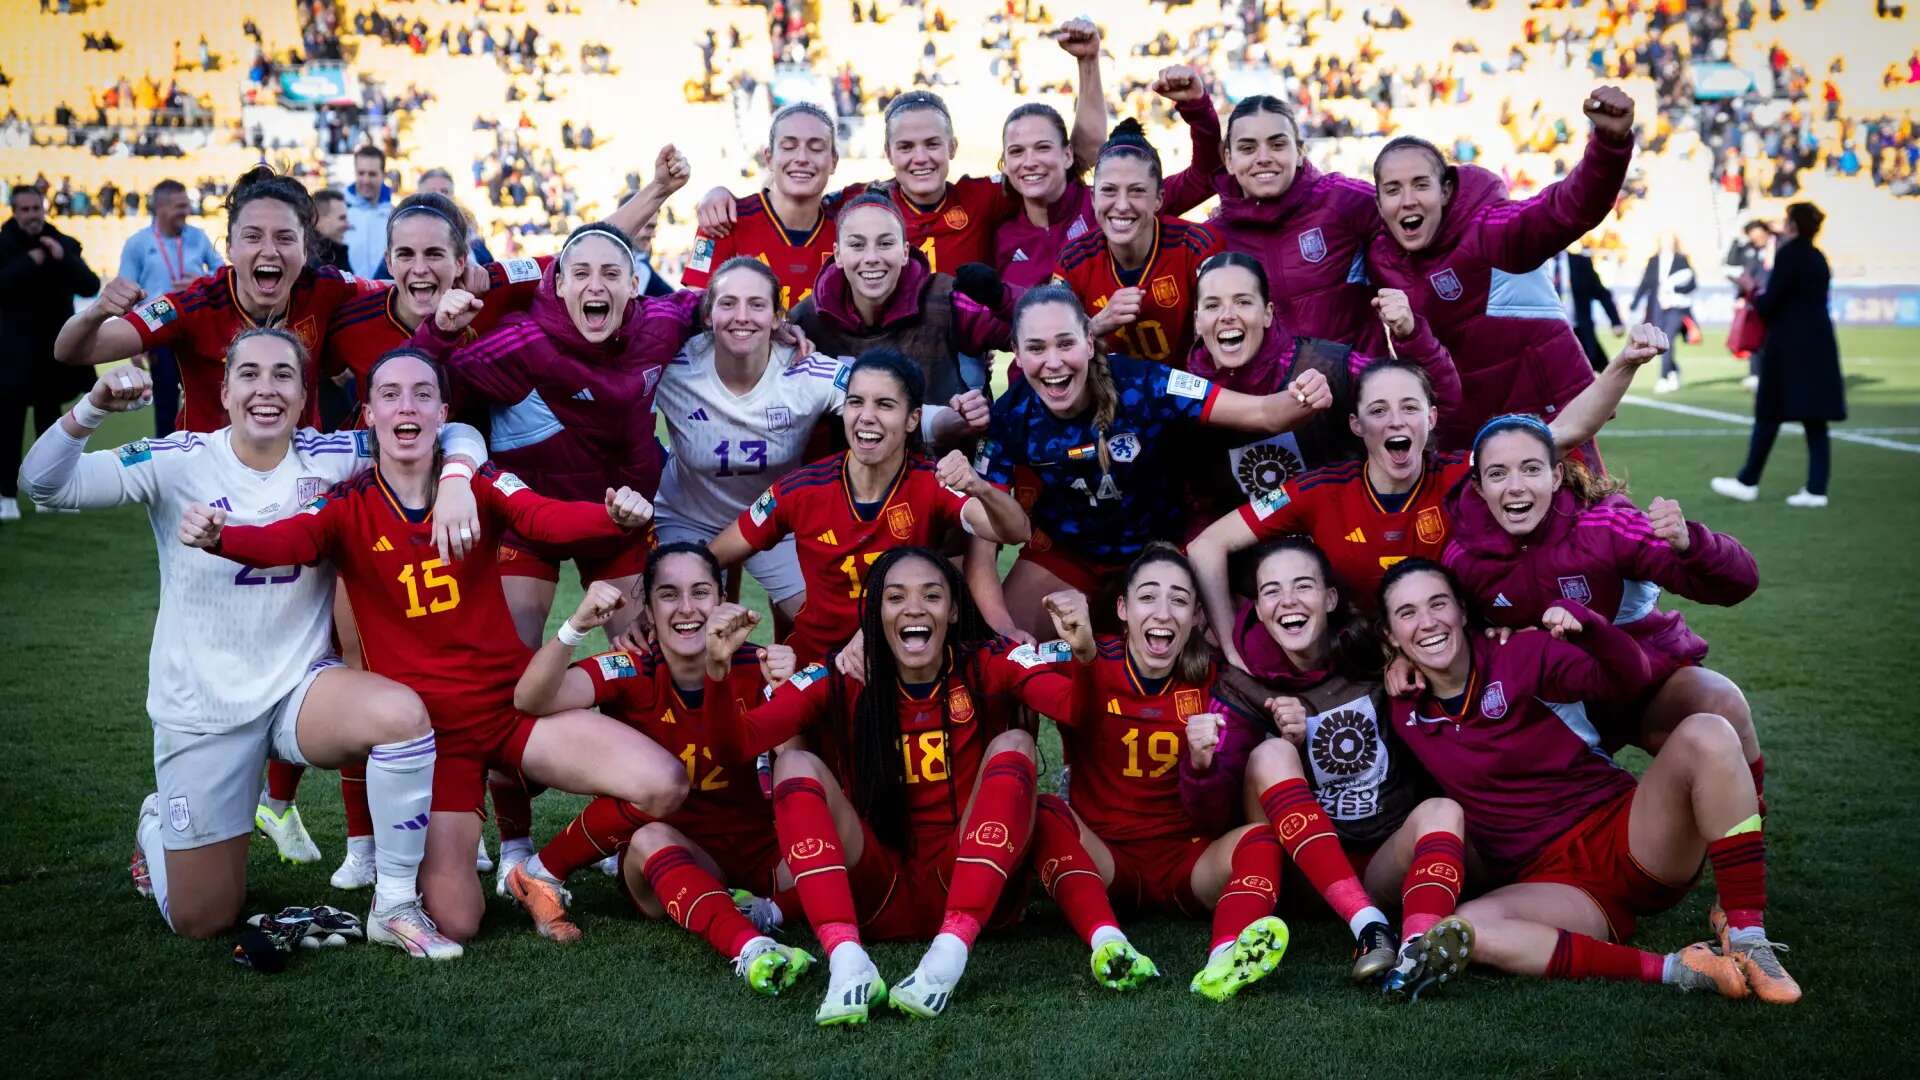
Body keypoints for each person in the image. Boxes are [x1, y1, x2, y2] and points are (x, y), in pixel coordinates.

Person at [182, 347, 686, 944]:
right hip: (433, 739)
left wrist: (613, 518)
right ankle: (433, 858)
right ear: (367, 413)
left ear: (442, 412)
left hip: (514, 708)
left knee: (663, 782)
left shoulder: (479, 483)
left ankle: (540, 868)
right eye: (390, 394)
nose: (407, 406)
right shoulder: (349, 506)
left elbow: (545, 518)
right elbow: (286, 541)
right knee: (456, 920)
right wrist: (222, 538)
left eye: (422, 394)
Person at [19, 330, 486, 956]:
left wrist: (455, 475)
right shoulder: (178, 459)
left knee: (401, 715)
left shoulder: (331, 454)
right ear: (225, 389)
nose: (266, 390)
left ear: (303, 395)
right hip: (204, 709)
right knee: (206, 917)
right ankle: (159, 824)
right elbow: (43, 484)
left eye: (283, 377)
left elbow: (450, 429)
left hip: (299, 691)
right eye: (250, 375)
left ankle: (396, 905)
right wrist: (93, 407)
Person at [1379, 560, 1800, 1005]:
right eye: (1407, 613)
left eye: (1438, 604)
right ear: (1389, 636)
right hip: (1557, 886)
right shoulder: (1402, 705)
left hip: (1629, 838)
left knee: (1708, 732)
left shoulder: (1520, 654)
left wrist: (1591, 626)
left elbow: (1628, 678)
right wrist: (1391, 666)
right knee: (1465, 930)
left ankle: (1749, 933)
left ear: (1463, 611)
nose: (1427, 622)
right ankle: (1683, 969)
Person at [699, 547, 1080, 1022]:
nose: (914, 608)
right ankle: (848, 962)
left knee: (1016, 744)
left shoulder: (988, 661)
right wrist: (717, 674)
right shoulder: (840, 674)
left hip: (973, 881)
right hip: (874, 893)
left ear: (955, 609)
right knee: (794, 764)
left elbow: (1077, 710)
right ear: (875, 613)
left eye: (932, 595)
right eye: (896, 597)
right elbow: (739, 744)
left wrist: (1082, 653)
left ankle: (949, 955)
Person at [1187, 325, 1667, 669]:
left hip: (1453, 658)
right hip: (1360, 665)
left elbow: (1569, 430)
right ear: (1357, 427)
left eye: (1409, 408)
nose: (1395, 421)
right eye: (1378, 410)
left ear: (1431, 419)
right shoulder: (1317, 492)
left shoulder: (1467, 472)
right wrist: (1231, 645)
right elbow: (1207, 544)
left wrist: (1623, 364)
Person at [500, 547, 813, 994]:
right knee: (649, 838)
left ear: (723, 597)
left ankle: (761, 908)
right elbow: (530, 700)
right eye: (669, 594)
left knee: (838, 848)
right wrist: (576, 627)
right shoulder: (632, 664)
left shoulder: (761, 664)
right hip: (669, 853)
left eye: (701, 592)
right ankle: (749, 947)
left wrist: (786, 693)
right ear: (647, 608)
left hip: (757, 848)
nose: (687, 609)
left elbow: (798, 769)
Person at [1185, 538, 1474, 999]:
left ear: (1331, 597)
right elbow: (1212, 815)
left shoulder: (1372, 653)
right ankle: (1368, 926)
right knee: (1271, 754)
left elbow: (1456, 663)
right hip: (1299, 870)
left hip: (1381, 858)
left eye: (1303, 586)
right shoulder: (1242, 681)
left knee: (1442, 810)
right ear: (1257, 608)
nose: (1289, 602)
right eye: (1272, 591)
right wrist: (1208, 760)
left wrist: (1404, 656)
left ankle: (1416, 949)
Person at [969, 285, 1336, 643]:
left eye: (1066, 343)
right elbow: (983, 544)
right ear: (1016, 352)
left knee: (1211, 654)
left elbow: (1262, 413)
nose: (1053, 362)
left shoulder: (1145, 382)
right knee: (1003, 657)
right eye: (1036, 348)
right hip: (1069, 555)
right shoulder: (1008, 417)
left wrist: (1306, 393)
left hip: (1162, 549)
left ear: (1089, 339)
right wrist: (1005, 630)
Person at [1020, 548, 1291, 1002]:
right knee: (1046, 809)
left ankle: (1224, 956)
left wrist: (1289, 718)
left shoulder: (1212, 677)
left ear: (1197, 616)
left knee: (1261, 840)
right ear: (1123, 609)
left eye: (1180, 600)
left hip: (1186, 860)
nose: (1163, 612)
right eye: (1148, 597)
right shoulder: (1086, 655)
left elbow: (1279, 691)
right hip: (1105, 856)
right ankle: (1109, 943)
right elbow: (1005, 662)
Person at [415, 222, 703, 647]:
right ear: (561, 284)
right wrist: (439, 334)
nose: (596, 285)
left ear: (634, 284)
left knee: (649, 657)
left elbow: (713, 306)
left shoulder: (658, 324)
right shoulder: (520, 342)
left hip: (620, 519)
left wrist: (785, 327)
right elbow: (423, 383)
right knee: (511, 657)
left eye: (610, 274)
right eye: (582, 274)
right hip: (530, 522)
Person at [1448, 413, 1767, 793]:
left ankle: (1750, 831)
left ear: (1555, 476)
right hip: (1552, 706)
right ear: (1480, 487)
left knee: (1721, 705)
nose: (1516, 486)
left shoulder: (1604, 527)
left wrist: (1691, 544)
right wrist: (1485, 635)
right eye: (1498, 474)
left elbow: (1739, 583)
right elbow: (1446, 633)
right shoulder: (1462, 557)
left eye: (1531, 469)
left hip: (1646, 686)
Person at [709, 350, 1028, 664]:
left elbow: (1016, 531)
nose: (866, 416)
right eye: (855, 402)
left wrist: (980, 487)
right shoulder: (801, 488)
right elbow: (713, 556)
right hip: (818, 669)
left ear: (912, 419)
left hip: (901, 667)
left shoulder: (932, 482)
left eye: (885, 405)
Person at [1365, 86, 1638, 451]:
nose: (1408, 199)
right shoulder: (1379, 257)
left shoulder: (1488, 229)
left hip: (1548, 425)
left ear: (1445, 191)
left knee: (1582, 509)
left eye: (1421, 184)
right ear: (1379, 201)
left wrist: (1609, 143)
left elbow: (1564, 210)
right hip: (1463, 436)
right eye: (1393, 189)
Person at [53, 165, 383, 436]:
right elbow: (72, 351)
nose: (269, 250)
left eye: (284, 238)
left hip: (293, 480)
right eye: (252, 237)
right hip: (206, 484)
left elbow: (397, 291)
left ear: (305, 250)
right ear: (229, 248)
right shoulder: (193, 305)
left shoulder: (325, 287)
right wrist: (96, 312)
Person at [1184, 252, 1458, 512]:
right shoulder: (1177, 393)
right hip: (1241, 549)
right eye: (1212, 305)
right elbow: (1192, 502)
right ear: (1197, 321)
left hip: (1346, 537)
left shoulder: (1329, 365)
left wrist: (1411, 335)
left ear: (1268, 313)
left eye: (1243, 302)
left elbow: (1436, 402)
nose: (1228, 315)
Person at [1162, 93, 1379, 346]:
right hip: (1272, 387)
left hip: (1358, 381)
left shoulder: (1345, 200)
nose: (1263, 157)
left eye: (1277, 145)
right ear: (1229, 160)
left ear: (1299, 152)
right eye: (1248, 148)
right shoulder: (1212, 239)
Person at [788, 193, 1016, 406]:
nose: (871, 258)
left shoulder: (947, 302)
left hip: (946, 448)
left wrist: (1002, 298)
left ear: (906, 252)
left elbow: (1038, 328)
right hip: (846, 449)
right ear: (837, 254)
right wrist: (778, 330)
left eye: (885, 243)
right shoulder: (808, 320)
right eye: (857, 245)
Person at [1053, 120, 1224, 366]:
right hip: (1109, 398)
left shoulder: (1197, 246)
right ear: (1093, 198)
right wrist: (1098, 324)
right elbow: (1053, 349)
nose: (1122, 205)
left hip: (1191, 395)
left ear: (1158, 199)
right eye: (1109, 190)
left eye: (1136, 191)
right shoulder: (1073, 259)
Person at [1712, 202, 1844, 509]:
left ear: (1794, 225)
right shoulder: (1817, 257)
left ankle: (1748, 481)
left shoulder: (1789, 255)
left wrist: (1750, 289)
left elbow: (1770, 304)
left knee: (1769, 413)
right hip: (1819, 344)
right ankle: (1816, 489)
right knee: (1815, 420)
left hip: (1788, 347)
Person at [0, 183, 101, 524]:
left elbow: (90, 285)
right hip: (11, 353)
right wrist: (30, 262)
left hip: (53, 354)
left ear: (45, 209)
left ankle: (46, 496)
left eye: (36, 209)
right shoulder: (4, 246)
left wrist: (62, 258)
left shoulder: (63, 243)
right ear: (14, 211)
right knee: (9, 427)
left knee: (50, 430)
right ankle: (6, 496)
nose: (32, 216)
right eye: (25, 209)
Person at [680, 104, 843, 309]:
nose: (802, 158)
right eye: (789, 147)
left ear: (834, 161)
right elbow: (693, 310)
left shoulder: (849, 228)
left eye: (816, 148)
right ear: (769, 158)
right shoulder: (720, 221)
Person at [116, 179, 222, 437]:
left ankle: (210, 454)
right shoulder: (138, 243)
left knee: (209, 396)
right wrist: (135, 342)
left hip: (199, 327)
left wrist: (201, 283)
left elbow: (223, 274)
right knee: (165, 402)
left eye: (187, 205)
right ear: (161, 207)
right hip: (159, 329)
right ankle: (166, 459)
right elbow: (126, 292)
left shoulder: (198, 237)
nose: (186, 211)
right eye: (180, 206)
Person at [1630, 234, 1696, 393]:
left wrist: (1673, 290)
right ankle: (1673, 371)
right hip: (1657, 307)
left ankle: (1663, 377)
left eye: (1670, 241)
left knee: (1668, 339)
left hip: (1676, 308)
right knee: (1658, 341)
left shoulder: (1681, 259)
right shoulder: (1654, 260)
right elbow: (1645, 282)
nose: (1667, 244)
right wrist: (1635, 303)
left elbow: (1692, 283)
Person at [1723, 220, 1775, 389]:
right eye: (1754, 237)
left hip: (1775, 300)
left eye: (1760, 235)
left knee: (1773, 339)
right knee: (1755, 338)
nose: (1758, 239)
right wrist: (1737, 241)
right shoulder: (1749, 250)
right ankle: (1755, 374)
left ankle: (1773, 374)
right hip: (1754, 300)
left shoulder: (1778, 247)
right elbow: (1731, 263)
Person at [1551, 247, 1622, 373]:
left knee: (1601, 374)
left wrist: (1615, 321)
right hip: (1548, 334)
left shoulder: (1580, 263)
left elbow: (1602, 294)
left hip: (1579, 332)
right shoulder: (1534, 266)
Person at [343, 144, 394, 277]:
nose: (366, 180)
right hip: (347, 293)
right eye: (361, 173)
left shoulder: (395, 216)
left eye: (372, 174)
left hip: (384, 292)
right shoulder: (340, 212)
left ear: (383, 174)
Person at [312, 188, 353, 271]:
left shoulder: (336, 254)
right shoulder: (312, 264)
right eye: (342, 218)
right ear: (319, 220)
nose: (347, 225)